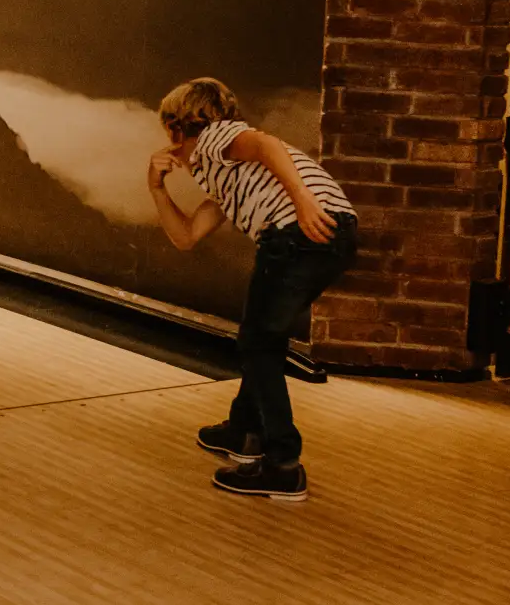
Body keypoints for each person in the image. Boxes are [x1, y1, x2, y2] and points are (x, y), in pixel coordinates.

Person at [147, 77, 357, 502]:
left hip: (296, 231)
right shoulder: (225, 177)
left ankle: (282, 465)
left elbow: (265, 145)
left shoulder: (213, 138)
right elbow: (186, 237)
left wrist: (301, 200)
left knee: (258, 342)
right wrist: (157, 189)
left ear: (175, 128)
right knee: (264, 338)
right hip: (335, 236)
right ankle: (243, 431)